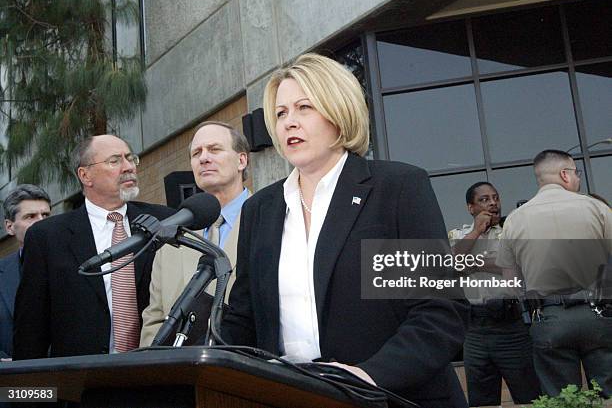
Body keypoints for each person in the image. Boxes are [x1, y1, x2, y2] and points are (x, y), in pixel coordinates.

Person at [221, 53, 469, 408]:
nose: (290, 122)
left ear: (339, 112)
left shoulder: (396, 188)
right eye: (281, 113)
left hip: (392, 396)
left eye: (304, 107)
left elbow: (438, 313)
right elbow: (244, 320)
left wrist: (368, 377)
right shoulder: (261, 209)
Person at [13, 135, 173, 360]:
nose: (128, 167)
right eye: (114, 161)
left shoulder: (165, 221)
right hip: (80, 383)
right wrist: (31, 393)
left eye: (130, 158)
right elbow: (31, 329)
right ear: (85, 175)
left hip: (159, 372)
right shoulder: (47, 238)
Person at [496, 149, 612, 397]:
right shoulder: (595, 208)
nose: (578, 179)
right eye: (576, 173)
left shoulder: (515, 220)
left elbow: (511, 285)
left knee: (561, 399)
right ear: (565, 174)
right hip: (599, 314)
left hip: (549, 319)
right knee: (609, 394)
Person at [140, 121, 250, 346]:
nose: (204, 158)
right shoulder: (172, 239)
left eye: (215, 149)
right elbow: (154, 321)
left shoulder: (273, 221)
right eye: (196, 153)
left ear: (242, 160)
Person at [449, 182, 539, 406]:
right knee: (481, 401)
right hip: (475, 330)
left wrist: (474, 263)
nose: (493, 203)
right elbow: (450, 265)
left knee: (529, 396)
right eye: (484, 199)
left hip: (510, 326)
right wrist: (476, 232)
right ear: (471, 208)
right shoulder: (460, 234)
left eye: (496, 198)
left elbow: (517, 267)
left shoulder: (512, 232)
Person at [0, 185, 51, 360]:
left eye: (45, 215)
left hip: (69, 378)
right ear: (9, 227)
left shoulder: (80, 266)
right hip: (12, 381)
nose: (41, 222)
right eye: (30, 216)